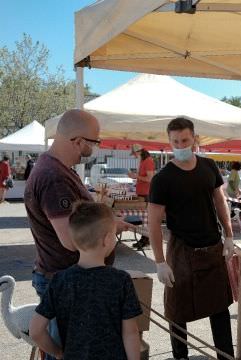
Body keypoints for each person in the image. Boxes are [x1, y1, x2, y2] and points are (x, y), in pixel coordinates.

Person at [24, 109, 133, 360]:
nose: (95, 147)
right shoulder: (54, 177)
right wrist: (108, 229)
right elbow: (72, 240)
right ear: (78, 141)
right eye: (95, 141)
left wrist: (107, 219)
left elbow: (76, 222)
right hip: (64, 279)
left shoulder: (59, 169)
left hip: (65, 278)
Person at [148, 117, 235, 360]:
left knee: (220, 309)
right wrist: (159, 261)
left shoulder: (208, 167)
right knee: (178, 311)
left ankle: (226, 357)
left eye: (185, 140)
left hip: (212, 247)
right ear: (169, 142)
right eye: (175, 141)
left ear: (194, 139)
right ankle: (180, 357)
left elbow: (219, 200)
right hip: (181, 251)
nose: (180, 145)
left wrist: (229, 234)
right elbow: (153, 221)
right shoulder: (162, 178)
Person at [29, 201, 142, 360]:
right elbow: (131, 333)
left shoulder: (60, 280)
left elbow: (35, 331)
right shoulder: (121, 280)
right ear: (107, 239)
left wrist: (58, 353)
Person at [128, 144, 155, 249]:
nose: (134, 156)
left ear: (138, 152)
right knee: (144, 219)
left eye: (134, 154)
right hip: (142, 193)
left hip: (146, 194)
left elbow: (150, 179)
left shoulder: (148, 161)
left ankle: (147, 241)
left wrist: (136, 176)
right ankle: (144, 239)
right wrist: (136, 176)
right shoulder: (143, 161)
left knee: (146, 219)